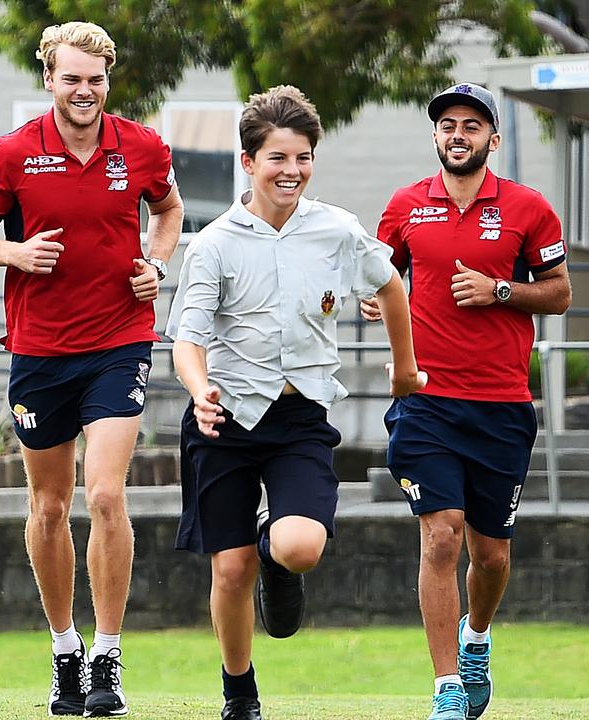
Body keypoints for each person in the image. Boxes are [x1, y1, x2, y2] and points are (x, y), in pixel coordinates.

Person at [167, 86, 424, 720]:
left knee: (300, 547)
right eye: (278, 157)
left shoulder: (336, 229)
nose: (292, 171)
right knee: (228, 573)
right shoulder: (213, 245)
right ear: (248, 162)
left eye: (304, 157)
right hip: (224, 416)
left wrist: (406, 365)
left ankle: (271, 549)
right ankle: (239, 694)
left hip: (300, 415)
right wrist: (200, 393)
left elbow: (392, 286)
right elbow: (186, 340)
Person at [0, 21, 184, 717]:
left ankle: (108, 655)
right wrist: (14, 255)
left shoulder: (139, 146)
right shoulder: (11, 155)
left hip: (118, 341)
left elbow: (169, 210)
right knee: (50, 507)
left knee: (106, 495)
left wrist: (158, 264)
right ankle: (65, 650)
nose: (84, 91)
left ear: (108, 81)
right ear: (48, 78)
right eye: (71, 78)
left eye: (96, 79)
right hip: (39, 350)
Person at [362, 82, 571, 720]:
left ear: (492, 140)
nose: (459, 135)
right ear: (435, 136)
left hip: (502, 405)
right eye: (448, 125)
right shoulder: (404, 205)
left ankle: (475, 637)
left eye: (472, 126)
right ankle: (446, 688)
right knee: (440, 540)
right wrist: (378, 303)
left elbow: (559, 293)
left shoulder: (528, 207)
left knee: (491, 553)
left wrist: (500, 291)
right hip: (425, 401)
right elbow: (381, 276)